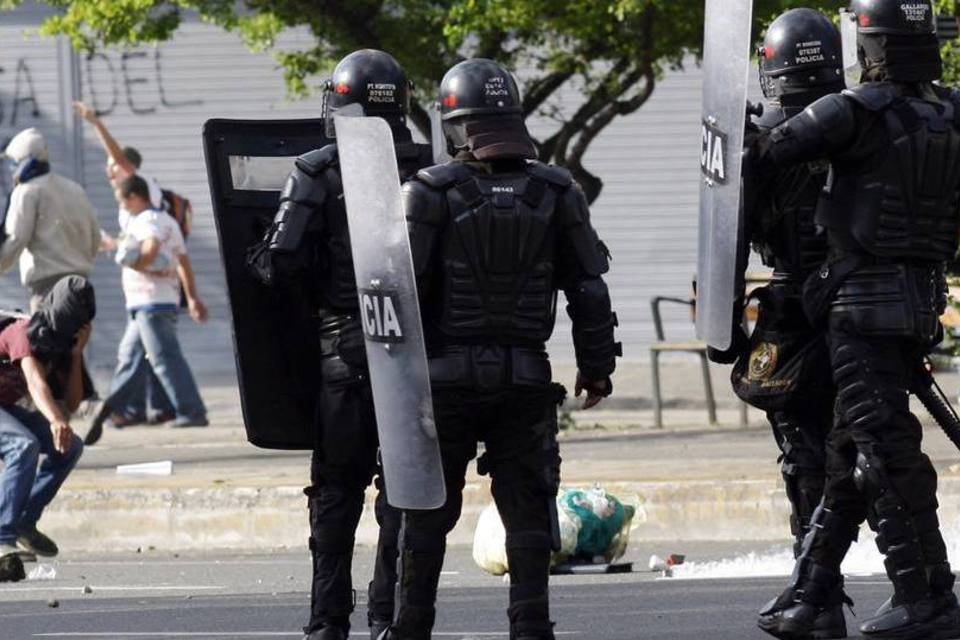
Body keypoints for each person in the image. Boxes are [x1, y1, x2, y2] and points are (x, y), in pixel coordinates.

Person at [384, 58, 620, 640]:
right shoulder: (557, 190)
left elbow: (398, 292)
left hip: (444, 382)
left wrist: (385, 382)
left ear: (454, 123)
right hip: (525, 377)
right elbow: (588, 287)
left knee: (426, 516)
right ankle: (530, 627)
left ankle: (411, 627)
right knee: (529, 513)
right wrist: (597, 367)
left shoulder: (428, 193)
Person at [750, 1, 960, 638]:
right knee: (849, 454)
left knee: (886, 453)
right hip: (919, 303)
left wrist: (737, 133)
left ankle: (930, 598)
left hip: (857, 309)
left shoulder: (853, 113)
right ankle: (811, 594)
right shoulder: (950, 111)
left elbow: (773, 149)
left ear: (872, 48)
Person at [245, 49, 434, 640]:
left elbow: (281, 260)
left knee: (336, 490)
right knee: (405, 489)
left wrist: (256, 259)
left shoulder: (318, 170)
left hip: (345, 350)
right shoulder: (436, 173)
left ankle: (328, 621)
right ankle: (389, 616)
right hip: (418, 353)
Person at [708, 10, 849, 639]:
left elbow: (726, 233)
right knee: (865, 451)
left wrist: (722, 323)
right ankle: (842, 589)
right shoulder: (862, 117)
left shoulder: (755, 138)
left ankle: (816, 590)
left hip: (801, 307)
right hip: (856, 302)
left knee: (807, 457)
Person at [85, 175, 207, 446]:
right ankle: (113, 407)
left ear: (134, 197)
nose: (123, 207)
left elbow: (150, 250)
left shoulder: (147, 221)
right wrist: (193, 298)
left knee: (164, 359)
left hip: (151, 302)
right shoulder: (166, 221)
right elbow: (183, 262)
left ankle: (191, 411)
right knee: (130, 356)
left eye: (122, 201)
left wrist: (133, 262)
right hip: (148, 303)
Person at [0, 276, 95, 580]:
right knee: (23, 445)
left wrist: (77, 355)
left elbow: (73, 401)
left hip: (6, 406)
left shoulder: (64, 344)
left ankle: (24, 523)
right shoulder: (23, 330)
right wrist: (55, 419)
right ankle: (2, 537)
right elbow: (35, 381)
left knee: (70, 446)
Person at [0, 129, 100, 310]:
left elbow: (17, 239)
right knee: (77, 337)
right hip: (81, 285)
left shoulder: (26, 192)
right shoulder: (75, 189)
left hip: (48, 289)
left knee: (48, 338)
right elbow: (95, 238)